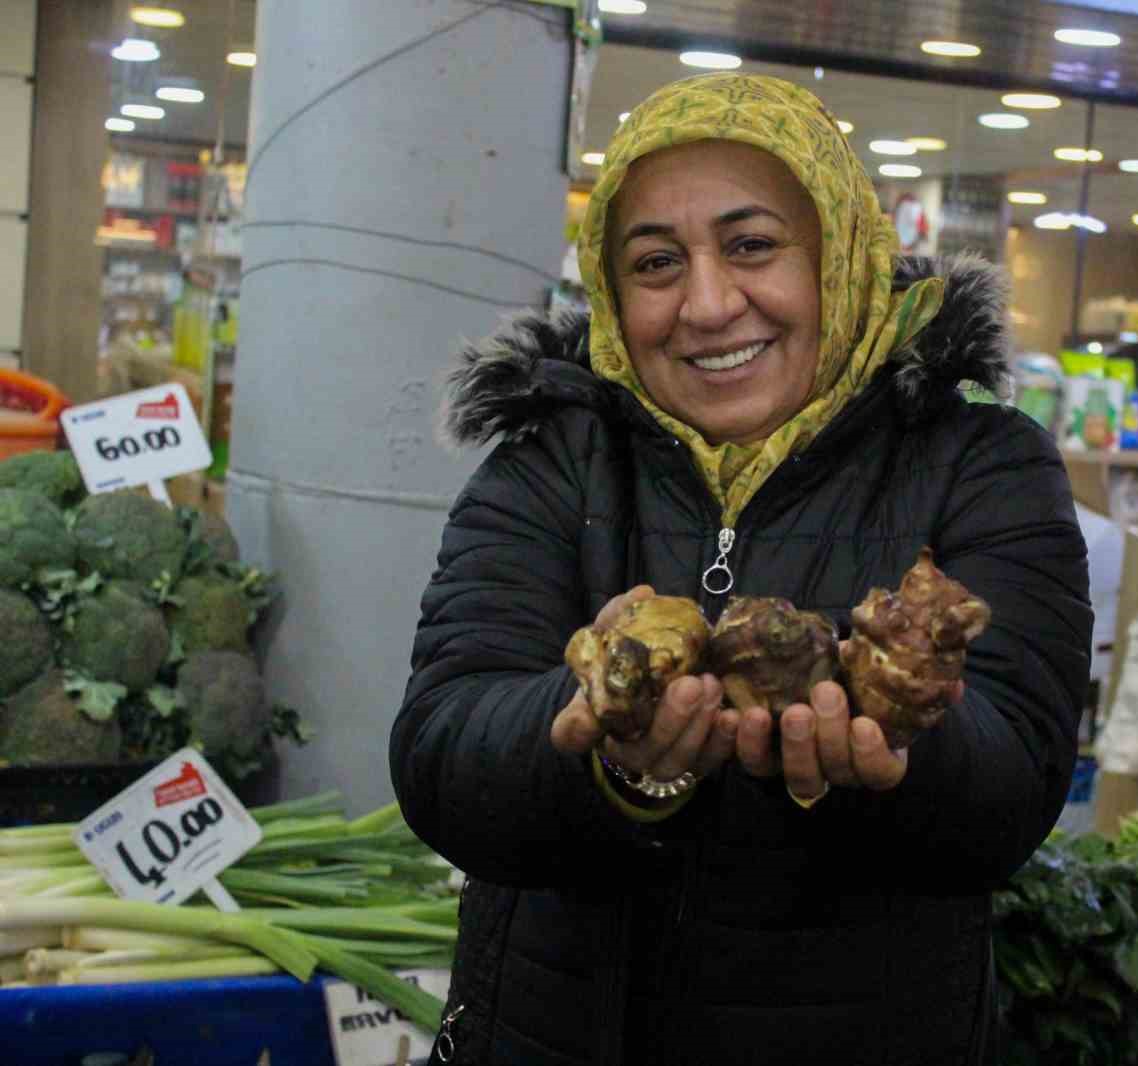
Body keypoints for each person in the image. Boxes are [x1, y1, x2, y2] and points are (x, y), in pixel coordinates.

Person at [391, 72, 1092, 1066]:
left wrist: (901, 749)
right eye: (655, 262)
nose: (709, 304)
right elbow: (442, 752)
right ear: (608, 282)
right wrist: (603, 751)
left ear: (837, 250)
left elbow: (1017, 779)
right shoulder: (553, 459)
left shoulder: (981, 463)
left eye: (752, 245)